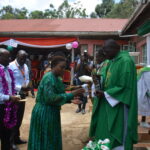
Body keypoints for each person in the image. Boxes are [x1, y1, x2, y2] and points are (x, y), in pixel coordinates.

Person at [89, 39, 138, 150]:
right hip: (108, 102)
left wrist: (106, 93)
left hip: (119, 103)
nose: (104, 54)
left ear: (115, 49)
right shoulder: (112, 61)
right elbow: (107, 79)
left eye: (106, 51)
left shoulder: (125, 61)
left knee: (120, 131)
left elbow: (125, 87)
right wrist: (98, 81)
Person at [28, 56, 84, 150]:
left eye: (65, 68)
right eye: (61, 67)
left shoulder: (55, 77)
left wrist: (72, 93)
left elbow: (60, 88)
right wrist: (71, 94)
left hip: (51, 111)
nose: (63, 70)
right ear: (53, 66)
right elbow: (51, 98)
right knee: (46, 139)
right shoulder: (48, 78)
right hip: (44, 113)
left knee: (50, 138)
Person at [0, 48, 20, 150]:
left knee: (6, 134)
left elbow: (10, 86)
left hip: (8, 106)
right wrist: (9, 97)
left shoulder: (7, 70)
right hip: (1, 106)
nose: (10, 59)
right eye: (7, 57)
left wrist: (14, 95)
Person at [9, 50, 30, 145]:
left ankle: (17, 138)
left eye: (25, 58)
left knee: (19, 117)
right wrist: (21, 87)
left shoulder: (25, 66)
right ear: (17, 56)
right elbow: (9, 83)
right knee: (13, 118)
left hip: (22, 95)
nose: (23, 60)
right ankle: (11, 141)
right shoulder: (10, 66)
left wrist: (26, 86)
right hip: (13, 95)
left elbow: (27, 78)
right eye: (21, 58)